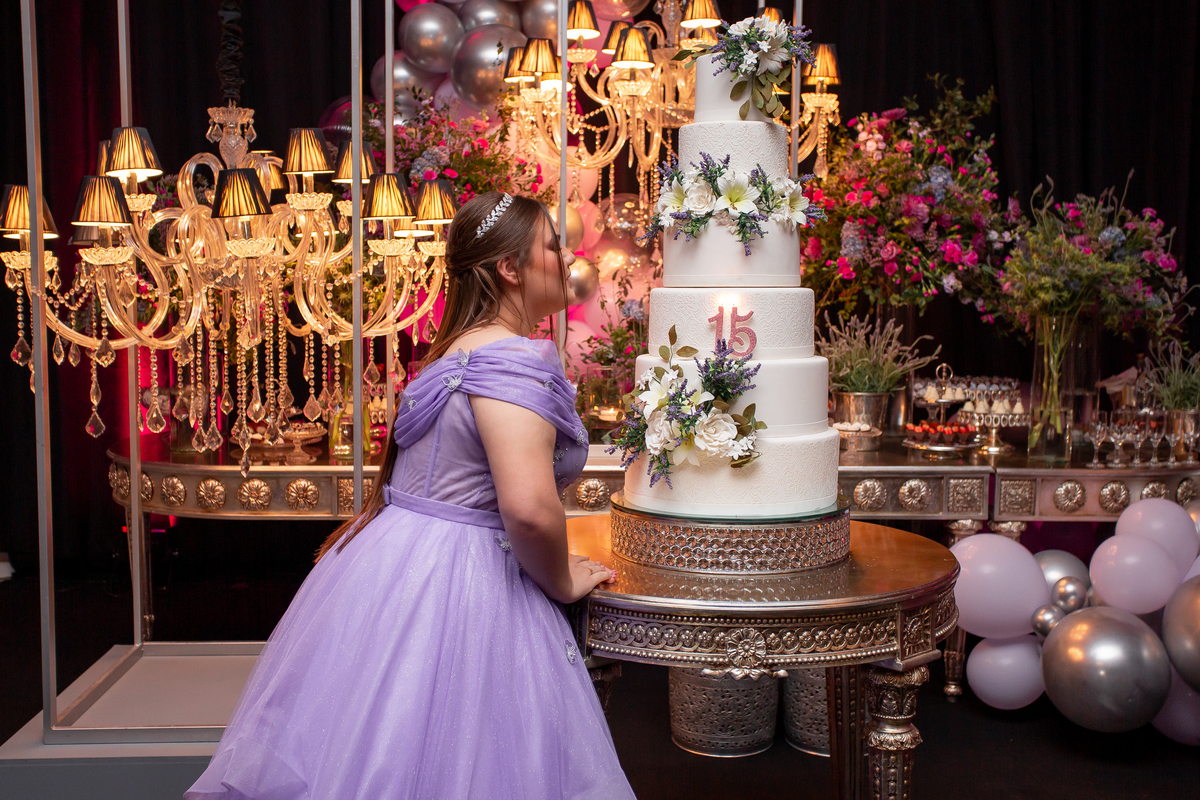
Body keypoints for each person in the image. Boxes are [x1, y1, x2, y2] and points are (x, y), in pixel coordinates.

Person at [185, 191, 636, 799]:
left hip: (389, 570)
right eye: (553, 246)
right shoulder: (513, 360)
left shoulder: (449, 353)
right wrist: (560, 579)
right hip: (467, 582)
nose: (568, 257)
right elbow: (529, 510)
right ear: (509, 267)